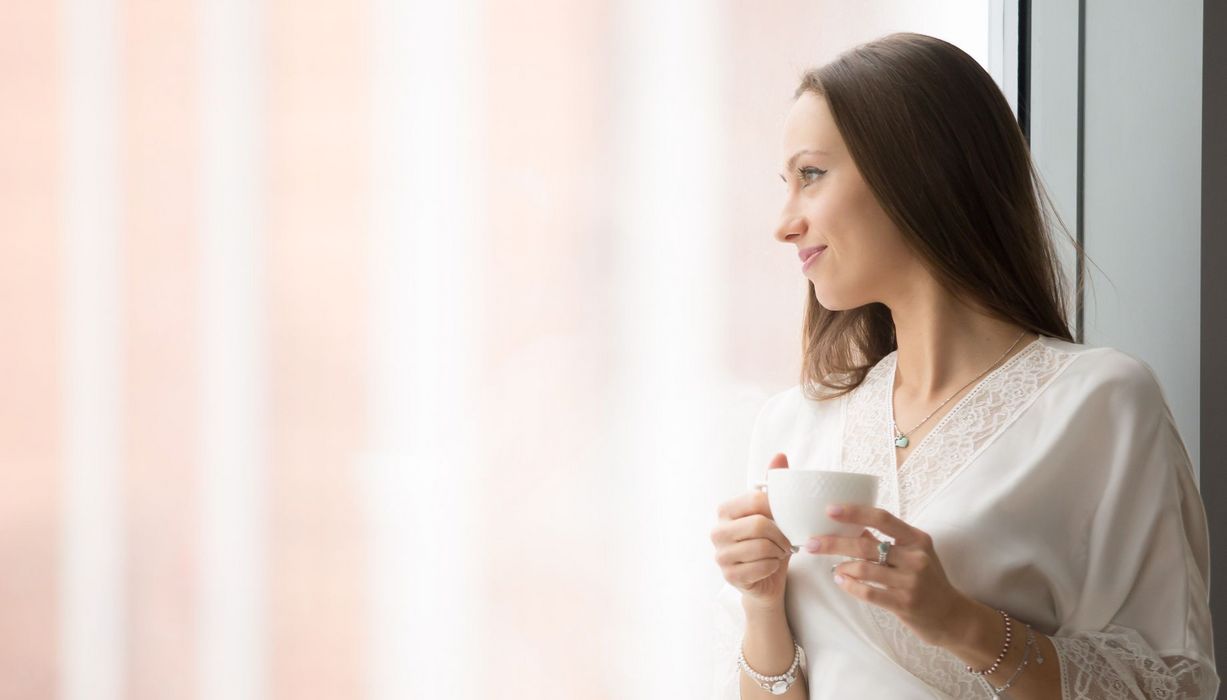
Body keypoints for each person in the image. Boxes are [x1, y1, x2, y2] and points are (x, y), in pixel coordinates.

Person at [709, 32, 1218, 699]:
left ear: (913, 170)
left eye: (810, 175)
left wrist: (959, 622)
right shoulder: (792, 428)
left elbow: (1169, 688)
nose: (784, 224)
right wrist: (760, 605)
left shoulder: (1099, 404)